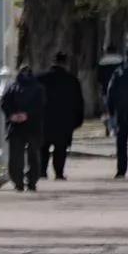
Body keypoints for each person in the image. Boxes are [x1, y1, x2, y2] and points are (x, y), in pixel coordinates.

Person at [37, 52, 84, 180]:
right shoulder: (72, 80)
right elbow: (79, 102)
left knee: (43, 147)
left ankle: (41, 171)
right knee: (61, 148)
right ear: (65, 63)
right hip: (64, 121)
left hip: (44, 120)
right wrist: (78, 121)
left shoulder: (40, 79)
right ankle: (59, 173)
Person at [0, 65, 46, 192]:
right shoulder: (38, 88)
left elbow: (5, 104)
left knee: (19, 157)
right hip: (30, 127)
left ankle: (20, 181)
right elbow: (41, 106)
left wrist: (14, 115)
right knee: (30, 156)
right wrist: (19, 115)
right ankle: (29, 181)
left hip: (19, 127)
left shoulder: (13, 88)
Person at [106, 47, 128, 178]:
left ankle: (121, 170)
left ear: (126, 57)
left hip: (122, 111)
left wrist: (111, 110)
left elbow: (110, 92)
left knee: (121, 141)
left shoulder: (119, 72)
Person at [98, 46, 123, 137]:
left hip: (105, 90)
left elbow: (99, 78)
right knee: (117, 109)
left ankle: (110, 127)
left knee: (108, 109)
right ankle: (115, 127)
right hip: (119, 90)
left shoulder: (102, 61)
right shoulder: (120, 60)